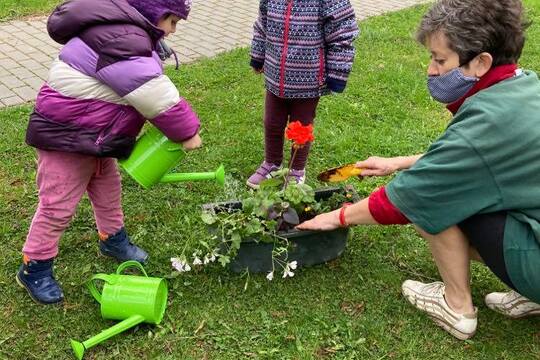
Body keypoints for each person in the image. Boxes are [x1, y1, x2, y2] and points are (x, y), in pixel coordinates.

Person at [298, 0, 540, 340]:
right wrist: (397, 163)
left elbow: (414, 194)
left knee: (436, 200)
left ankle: (457, 307)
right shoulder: (522, 85)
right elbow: (483, 159)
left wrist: (335, 217)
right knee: (452, 187)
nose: (431, 70)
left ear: (481, 62)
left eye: (440, 59)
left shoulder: (489, 119)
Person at [17, 0, 202, 305]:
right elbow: (150, 89)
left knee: (108, 189)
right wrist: (187, 132)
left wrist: (153, 46)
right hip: (66, 136)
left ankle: (112, 240)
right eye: (173, 22)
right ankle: (34, 266)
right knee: (57, 206)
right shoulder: (122, 39)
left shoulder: (125, 34)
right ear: (154, 15)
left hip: (93, 134)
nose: (172, 31)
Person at [246, 0, 359, 189]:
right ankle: (272, 163)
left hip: (308, 80)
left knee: (301, 129)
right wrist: (258, 56)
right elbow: (262, 25)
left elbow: (343, 33)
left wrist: (338, 73)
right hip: (275, 76)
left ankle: (297, 170)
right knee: (272, 123)